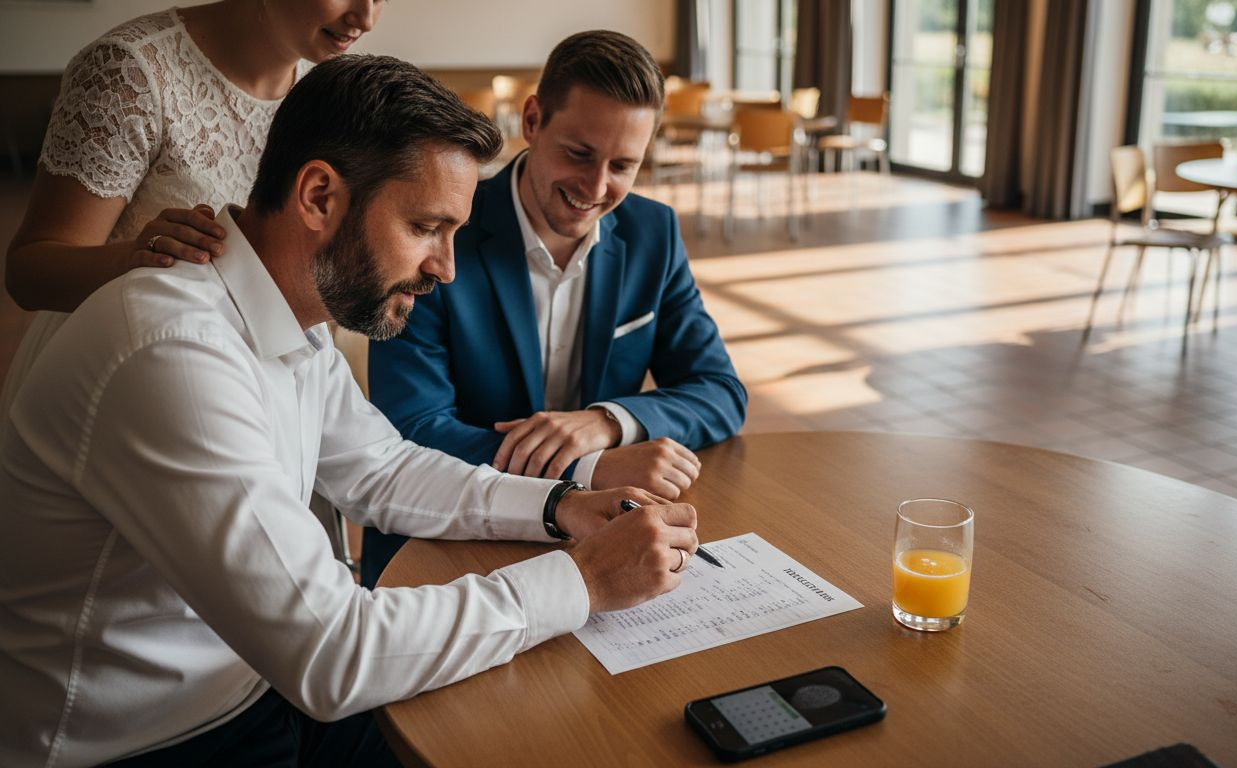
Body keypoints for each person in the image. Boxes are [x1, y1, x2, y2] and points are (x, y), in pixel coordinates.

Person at [0, 55, 699, 767]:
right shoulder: (172, 352)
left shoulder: (286, 312)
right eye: (427, 226)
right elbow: (334, 651)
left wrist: (562, 505)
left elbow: (382, 470)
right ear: (318, 197)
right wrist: (584, 580)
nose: (445, 268)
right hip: (139, 742)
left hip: (259, 685)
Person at [360, 30, 747, 586]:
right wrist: (587, 468)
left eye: (622, 166)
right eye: (580, 154)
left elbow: (720, 391)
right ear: (534, 120)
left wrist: (606, 424)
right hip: (443, 546)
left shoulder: (652, 232)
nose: (596, 187)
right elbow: (412, 429)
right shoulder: (438, 233)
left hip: (599, 541)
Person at [2, 0, 388, 419]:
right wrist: (133, 260)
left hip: (270, 386)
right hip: (127, 380)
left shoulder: (330, 95)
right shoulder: (131, 71)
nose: (365, 18)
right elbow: (28, 273)